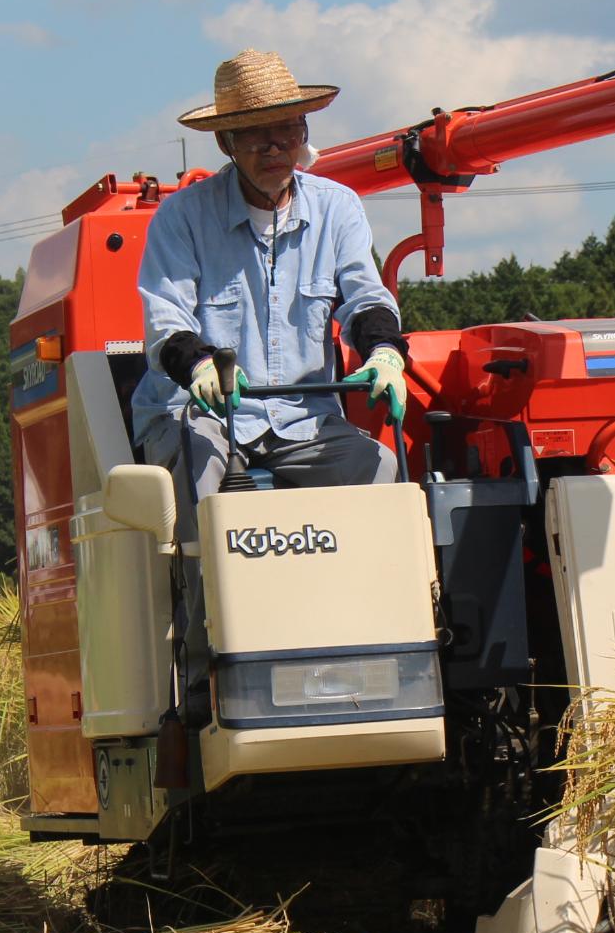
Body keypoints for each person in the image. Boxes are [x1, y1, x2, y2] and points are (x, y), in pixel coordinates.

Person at [129, 48, 409, 712]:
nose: (273, 145)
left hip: (303, 420)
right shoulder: (182, 217)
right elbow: (164, 321)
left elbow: (364, 295)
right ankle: (211, 672)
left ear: (306, 132)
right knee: (206, 481)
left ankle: (373, 649)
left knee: (382, 474)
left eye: (286, 129)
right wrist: (198, 362)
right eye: (255, 133)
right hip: (203, 414)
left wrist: (386, 351)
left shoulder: (339, 208)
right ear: (226, 142)